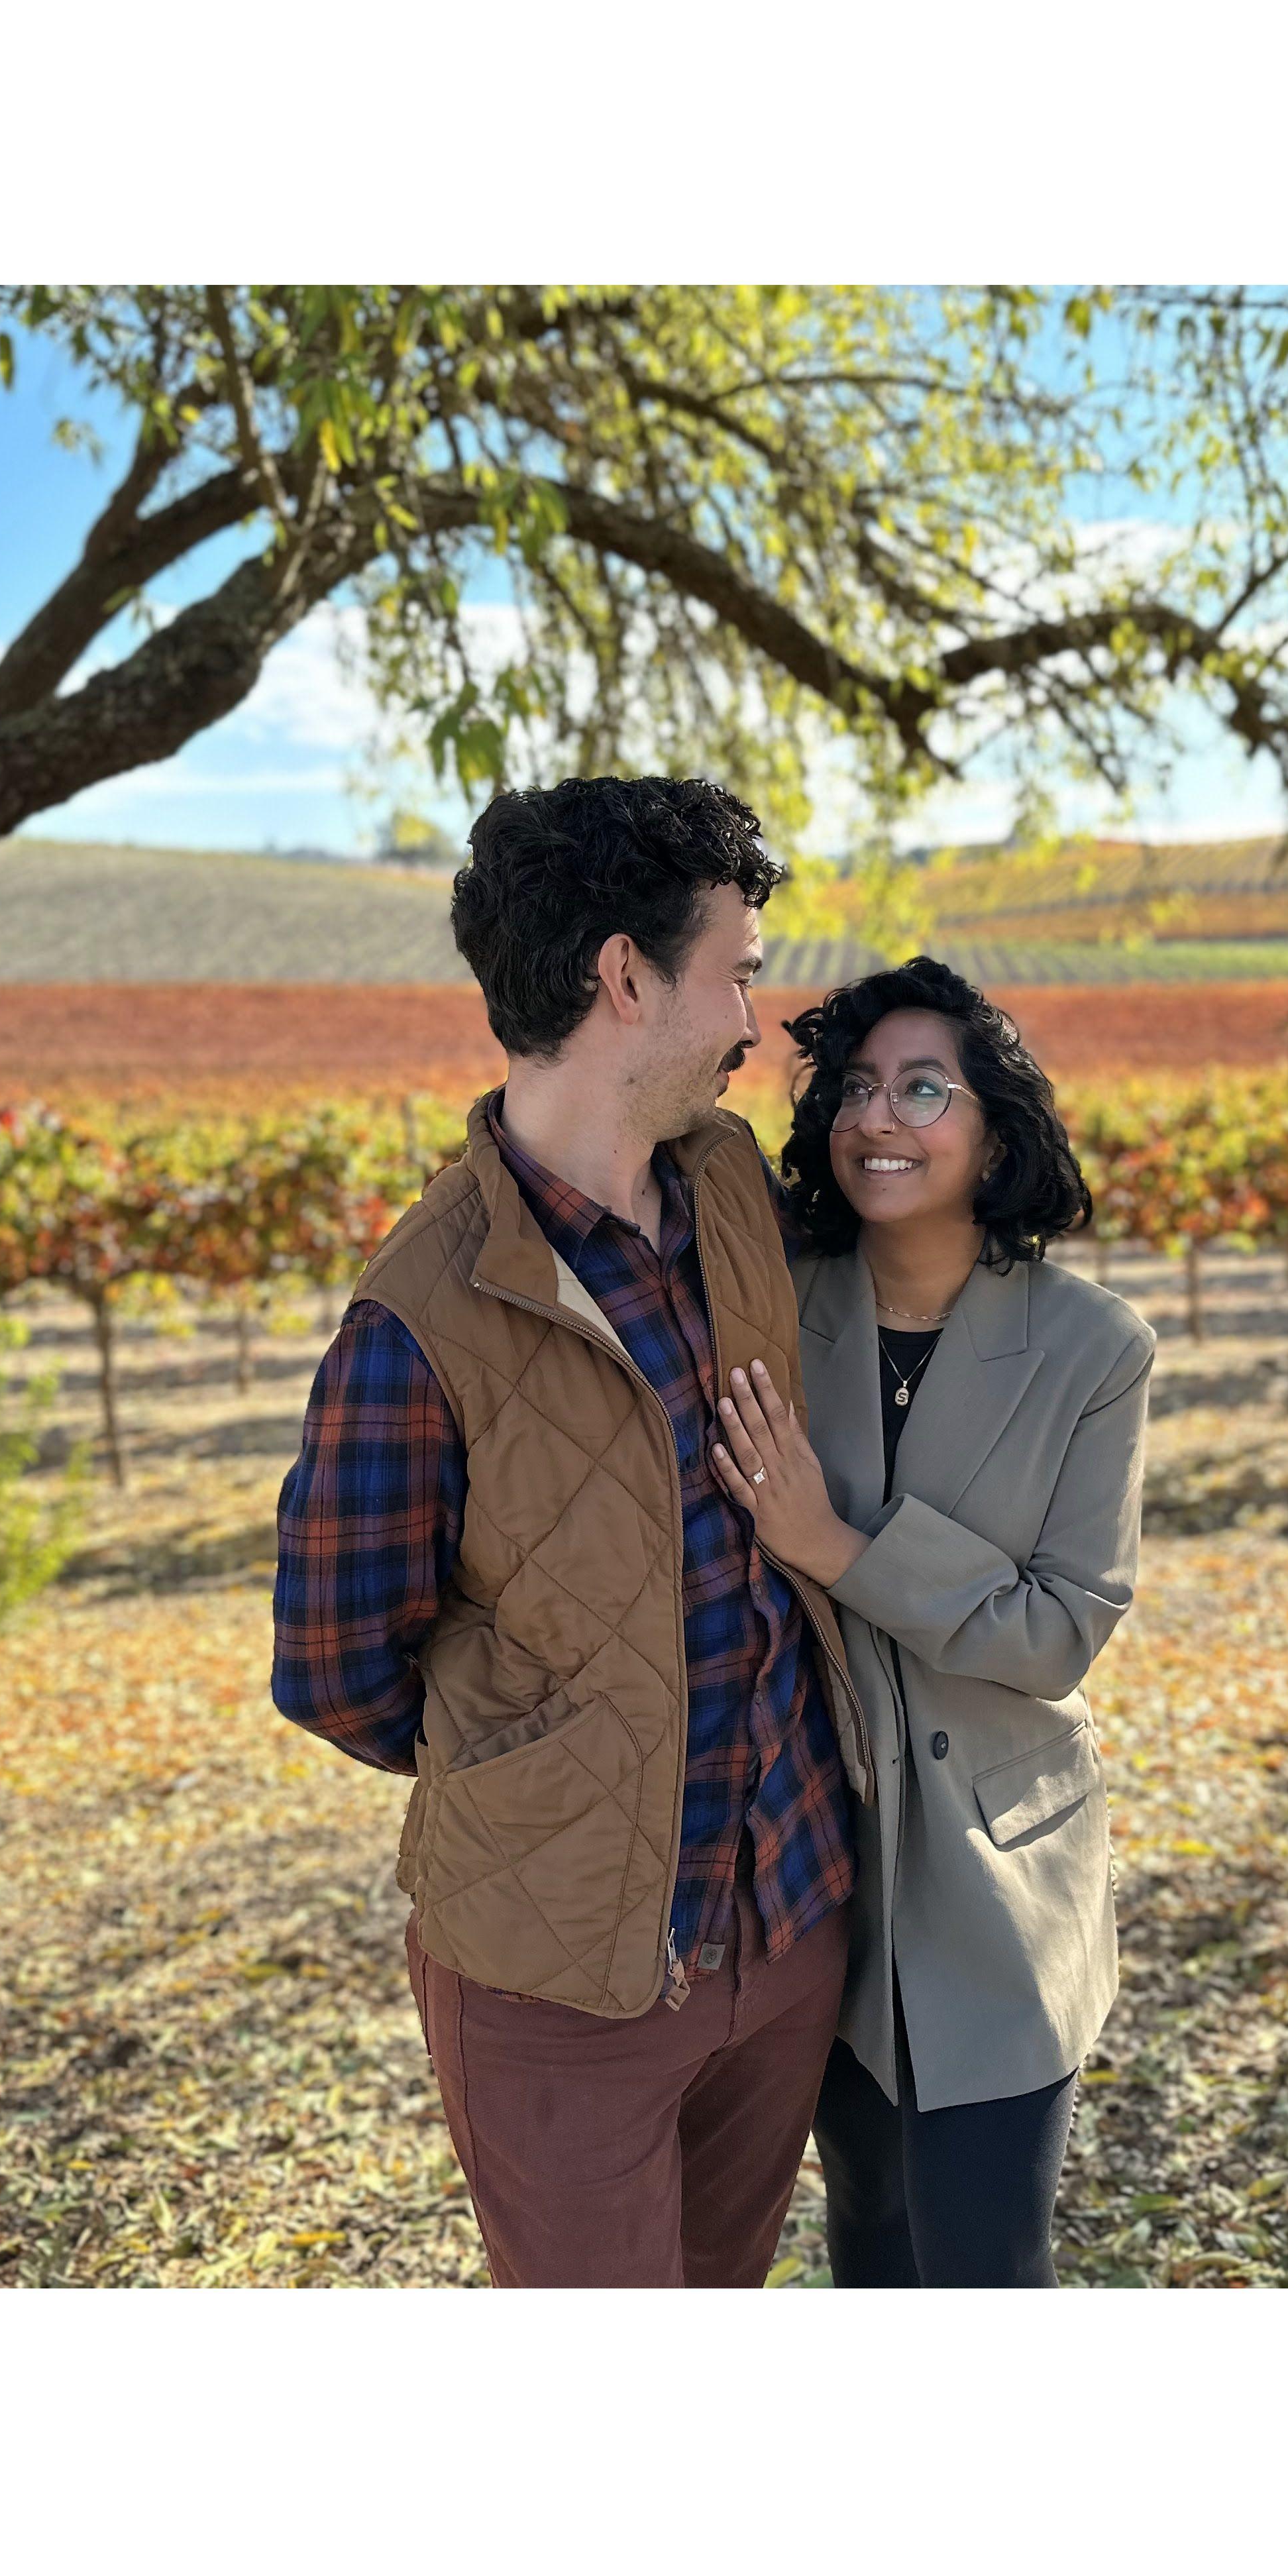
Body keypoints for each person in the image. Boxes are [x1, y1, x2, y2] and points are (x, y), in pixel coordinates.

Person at [270, 776, 871, 2289]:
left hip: (792, 1923)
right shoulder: (420, 1315)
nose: (754, 1015)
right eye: (734, 970)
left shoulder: (730, 1185)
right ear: (625, 978)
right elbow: (337, 1670)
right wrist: (555, 1776)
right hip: (562, 1990)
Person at [710, 955, 1152, 2286]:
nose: (878, 1119)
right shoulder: (778, 1305)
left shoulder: (1094, 1350)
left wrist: (833, 1545)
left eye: (922, 1088)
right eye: (854, 1088)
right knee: (873, 2253)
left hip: (999, 1887)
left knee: (984, 2267)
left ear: (995, 1131)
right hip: (822, 1876)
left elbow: (1059, 1632)